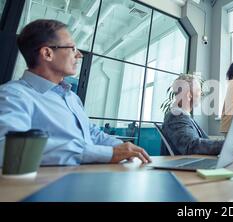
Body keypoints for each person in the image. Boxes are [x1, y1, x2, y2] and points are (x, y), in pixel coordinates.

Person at [0, 19, 151, 165]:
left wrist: (123, 148)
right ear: (47, 53)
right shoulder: (13, 95)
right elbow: (7, 148)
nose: (79, 55)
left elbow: (90, 133)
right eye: (72, 48)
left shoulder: (72, 97)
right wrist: (107, 153)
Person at [161, 74, 233, 155]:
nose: (201, 94)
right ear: (189, 95)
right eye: (199, 91)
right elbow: (191, 146)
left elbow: (201, 142)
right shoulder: (176, 117)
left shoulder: (182, 116)